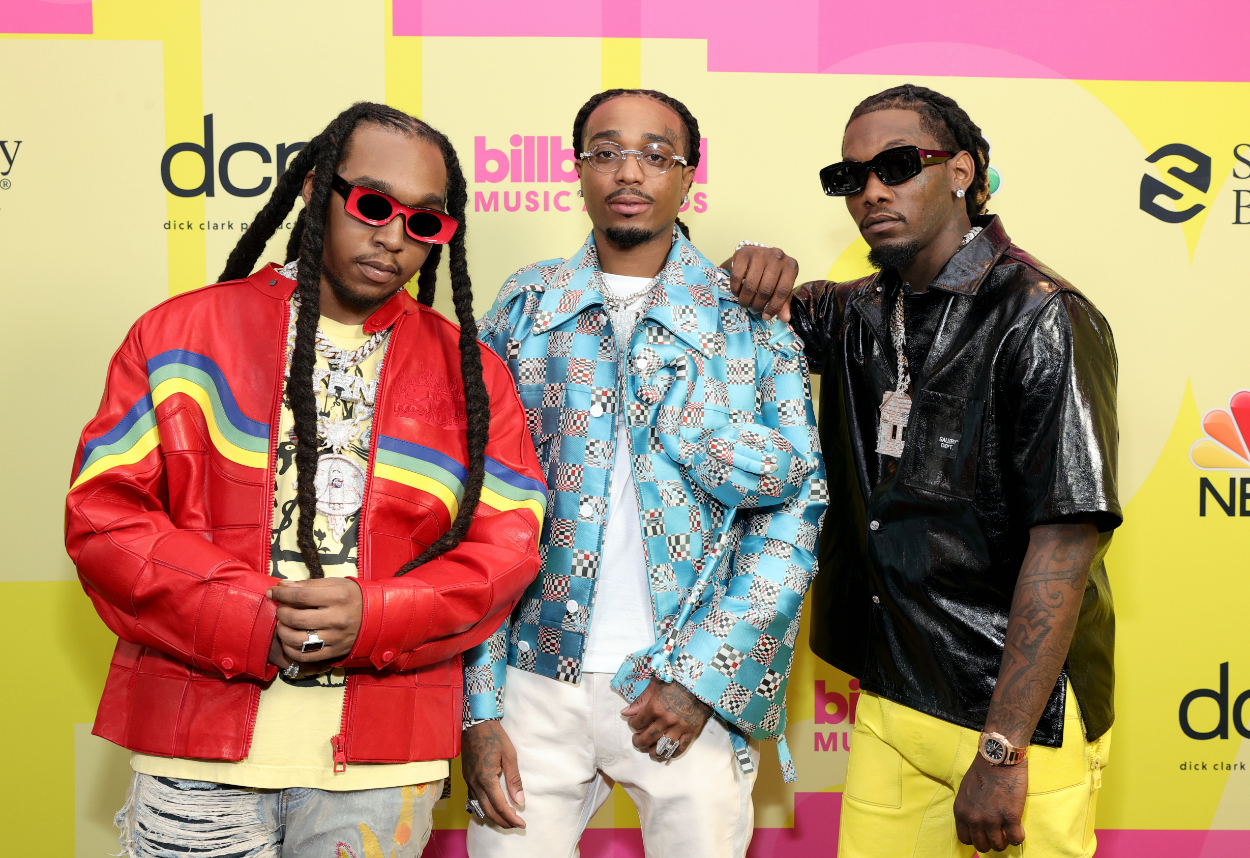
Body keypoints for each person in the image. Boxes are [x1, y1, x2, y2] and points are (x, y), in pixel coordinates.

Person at [65, 102, 546, 858]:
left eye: (424, 222)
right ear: (317, 187)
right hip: (196, 752)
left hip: (384, 766)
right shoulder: (181, 335)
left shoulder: (470, 374)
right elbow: (102, 519)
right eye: (373, 205)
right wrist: (248, 614)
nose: (393, 237)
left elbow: (507, 550)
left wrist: (375, 617)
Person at [459, 88, 827, 857]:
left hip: (683, 681)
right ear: (578, 168)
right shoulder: (524, 308)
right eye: (607, 152)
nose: (630, 172)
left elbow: (795, 521)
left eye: (656, 155)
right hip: (534, 678)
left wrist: (704, 675)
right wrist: (480, 703)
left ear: (688, 174)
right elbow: (478, 509)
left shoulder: (748, 317)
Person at [769, 84, 1119, 857]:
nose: (871, 191)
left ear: (961, 171)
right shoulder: (856, 313)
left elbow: (1065, 545)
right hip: (893, 698)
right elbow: (731, 318)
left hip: (1014, 716)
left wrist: (1003, 749)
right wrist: (750, 268)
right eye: (850, 177)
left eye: (897, 165)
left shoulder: (1041, 316)